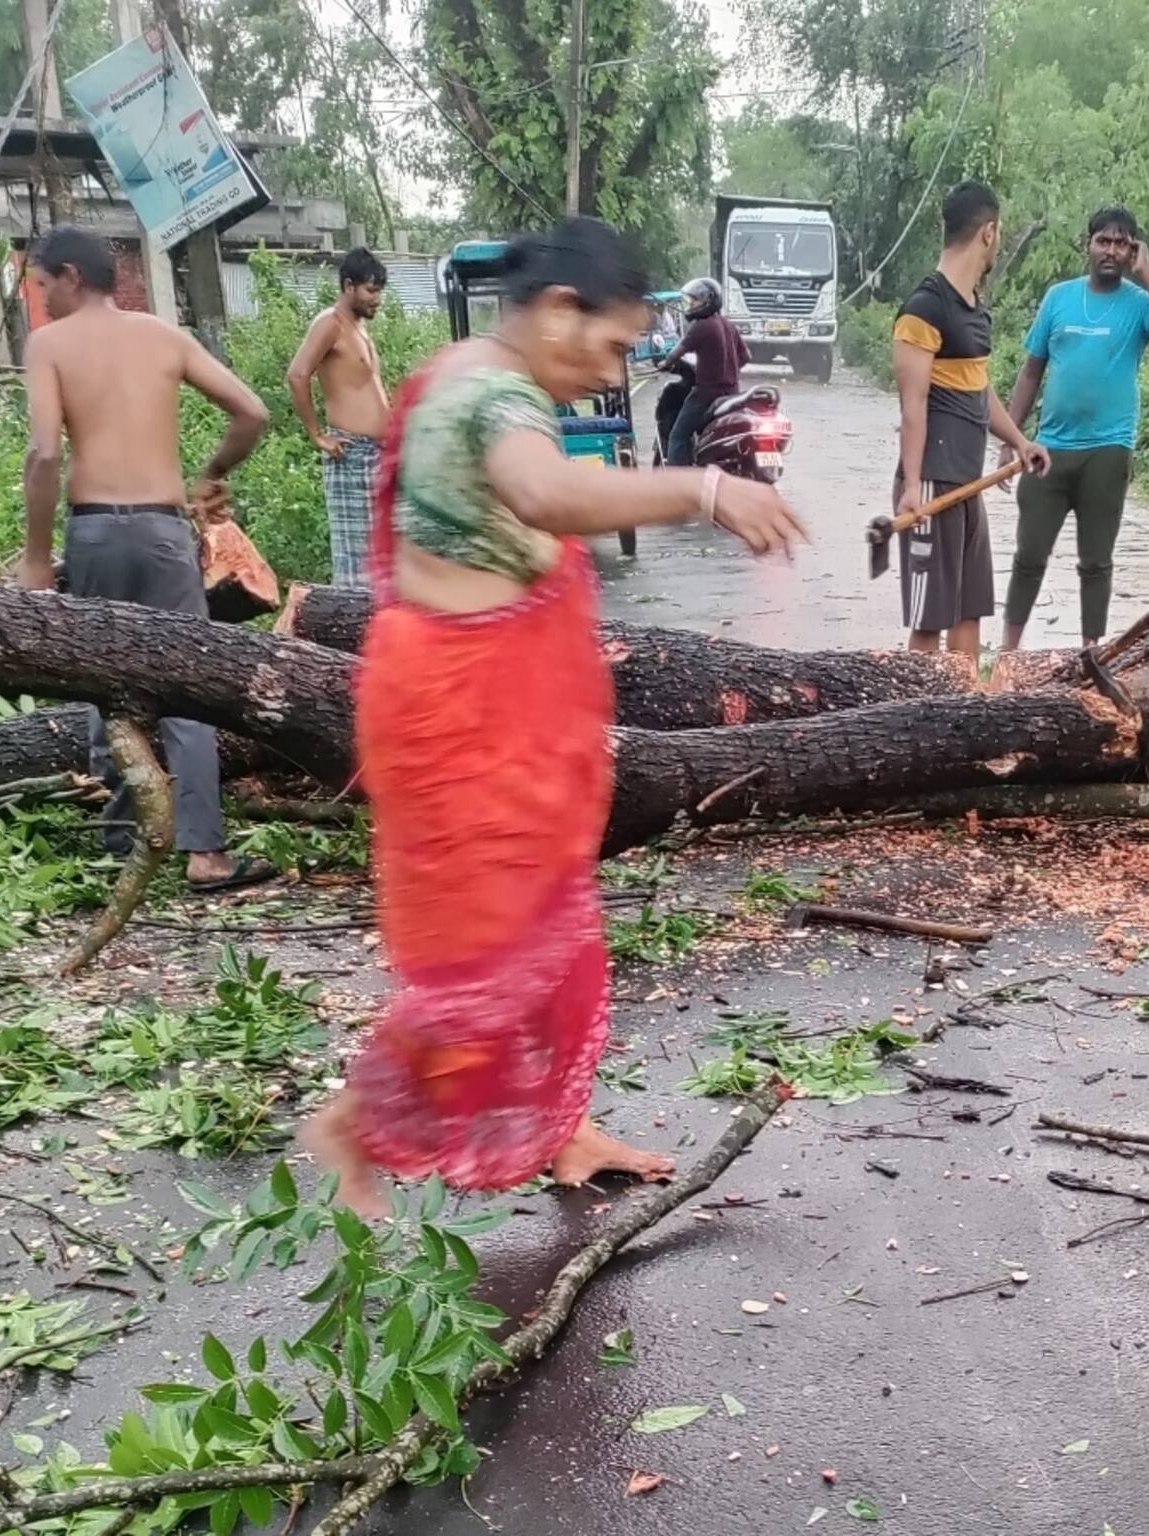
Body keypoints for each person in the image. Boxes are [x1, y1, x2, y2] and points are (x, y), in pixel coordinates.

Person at [299, 219, 805, 1216]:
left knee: (556, 941)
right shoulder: (492, 393)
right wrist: (702, 487)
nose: (613, 371)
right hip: (461, 719)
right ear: (560, 311)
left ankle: (563, 1133)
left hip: (477, 712)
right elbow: (545, 493)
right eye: (615, 348)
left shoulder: (465, 371)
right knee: (497, 957)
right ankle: (359, 1118)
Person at [18, 225, 275, 895]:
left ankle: (125, 842)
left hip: (95, 532)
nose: (40, 301)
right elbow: (251, 411)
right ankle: (205, 855)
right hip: (164, 532)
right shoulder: (163, 337)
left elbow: (45, 454)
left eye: (43, 286)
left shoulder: (48, 345)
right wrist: (212, 471)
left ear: (72, 276)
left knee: (105, 684)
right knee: (185, 690)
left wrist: (38, 559)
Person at [999, 205, 1149, 651]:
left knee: (1096, 562)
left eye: (1122, 242)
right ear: (1086, 245)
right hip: (1048, 449)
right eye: (1103, 240)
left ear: (1133, 250)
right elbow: (1031, 372)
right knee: (1029, 557)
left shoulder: (1140, 303)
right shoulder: (1058, 298)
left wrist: (1148, 275)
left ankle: (1093, 653)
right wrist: (1012, 439)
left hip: (1108, 451)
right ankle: (1008, 652)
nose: (1111, 250)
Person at [892, 180, 1049, 660]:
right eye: (997, 234)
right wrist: (912, 486)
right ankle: (915, 718)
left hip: (968, 484)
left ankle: (964, 720)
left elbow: (979, 391)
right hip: (933, 488)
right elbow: (913, 408)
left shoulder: (975, 309)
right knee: (929, 619)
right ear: (989, 232)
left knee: (969, 611)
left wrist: (1020, 441)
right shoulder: (923, 309)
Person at [287, 248, 393, 587]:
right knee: (355, 566)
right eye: (371, 290)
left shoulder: (359, 328)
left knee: (385, 559)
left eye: (379, 291)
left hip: (379, 452)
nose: (377, 299)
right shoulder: (330, 323)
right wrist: (318, 435)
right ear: (349, 286)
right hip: (351, 453)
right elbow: (297, 374)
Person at [664, 277, 748, 467]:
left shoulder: (701, 326)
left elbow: (674, 355)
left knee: (678, 435)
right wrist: (728, 370)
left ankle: (678, 484)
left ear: (709, 301)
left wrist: (664, 364)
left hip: (706, 395)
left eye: (696, 300)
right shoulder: (728, 325)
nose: (692, 304)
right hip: (733, 394)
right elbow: (746, 356)